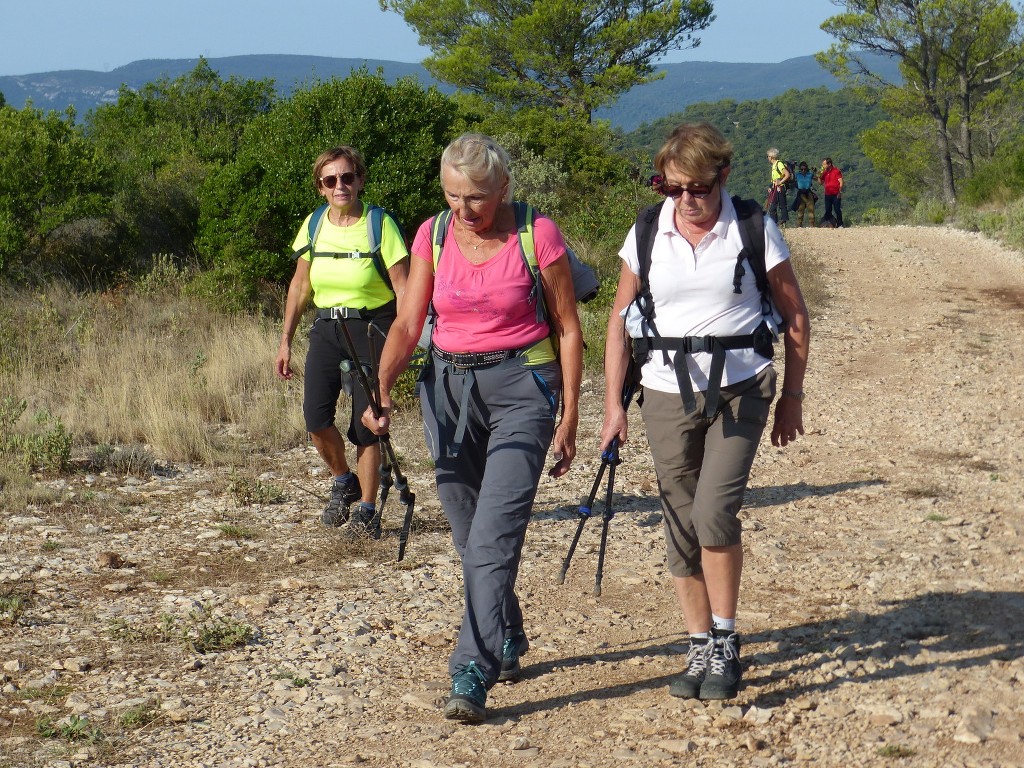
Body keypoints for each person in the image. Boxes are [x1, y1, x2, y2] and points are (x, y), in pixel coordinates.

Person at [362, 133, 582, 723]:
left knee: (491, 537)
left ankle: (472, 667)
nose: (465, 210)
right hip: (449, 396)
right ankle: (507, 632)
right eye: (455, 197)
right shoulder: (433, 234)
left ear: (504, 187)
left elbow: (566, 326)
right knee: (466, 531)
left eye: (478, 198)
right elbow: (409, 324)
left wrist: (571, 411)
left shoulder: (538, 235)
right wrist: (380, 390)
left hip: (522, 394)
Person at [601, 122, 810, 702]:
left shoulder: (751, 228)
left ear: (722, 176)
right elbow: (620, 323)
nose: (686, 200)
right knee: (679, 521)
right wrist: (612, 408)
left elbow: (794, 316)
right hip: (665, 392)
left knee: (714, 512)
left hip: (741, 386)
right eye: (672, 188)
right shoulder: (646, 232)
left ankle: (725, 638)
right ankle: (697, 645)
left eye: (697, 187)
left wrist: (791, 396)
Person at [275, 146, 409, 537]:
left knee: (366, 423)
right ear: (320, 187)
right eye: (330, 180)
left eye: (347, 177)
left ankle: (366, 509)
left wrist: (404, 343)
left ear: (360, 179)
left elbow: (403, 288)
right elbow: (300, 286)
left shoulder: (379, 224)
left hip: (372, 328)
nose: (340, 185)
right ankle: (343, 480)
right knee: (315, 419)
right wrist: (285, 340)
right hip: (326, 328)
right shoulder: (315, 223)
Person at [766, 148, 791, 226]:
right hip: (775, 188)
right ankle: (775, 222)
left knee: (781, 205)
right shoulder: (774, 165)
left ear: (771, 157)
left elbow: (787, 174)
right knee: (773, 205)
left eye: (768, 156)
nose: (767, 158)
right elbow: (774, 179)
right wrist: (771, 187)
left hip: (780, 187)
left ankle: (782, 221)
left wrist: (780, 182)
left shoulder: (779, 164)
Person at [820, 157, 845, 227]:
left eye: (824, 164)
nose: (823, 166)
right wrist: (819, 176)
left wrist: (840, 192)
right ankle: (829, 223)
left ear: (829, 164)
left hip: (836, 194)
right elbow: (821, 182)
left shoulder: (836, 171)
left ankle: (840, 224)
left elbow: (841, 182)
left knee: (837, 209)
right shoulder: (825, 172)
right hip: (827, 194)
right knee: (828, 210)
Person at [791, 161, 817, 227]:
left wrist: (815, 171)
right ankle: (799, 224)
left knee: (811, 208)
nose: (803, 170)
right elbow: (791, 178)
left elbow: (817, 179)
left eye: (804, 169)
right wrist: (792, 167)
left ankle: (812, 224)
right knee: (801, 209)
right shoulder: (797, 174)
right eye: (802, 169)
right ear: (800, 169)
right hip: (801, 193)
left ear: (806, 169)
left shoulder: (810, 174)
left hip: (808, 192)